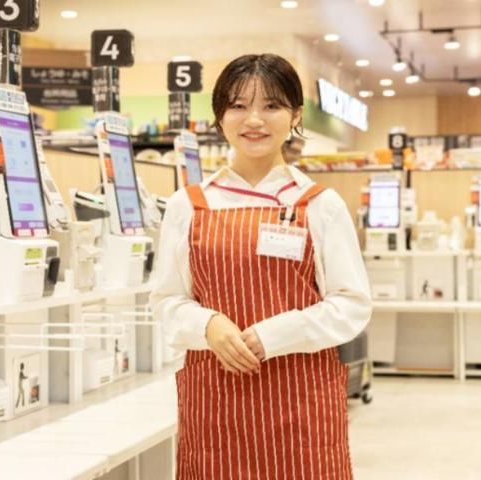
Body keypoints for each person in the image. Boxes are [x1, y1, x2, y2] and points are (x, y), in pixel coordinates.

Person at [150, 53, 372, 479]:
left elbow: (352, 304)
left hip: (301, 407)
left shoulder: (319, 205)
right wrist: (209, 325)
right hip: (215, 406)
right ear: (220, 116)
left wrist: (274, 335)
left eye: (271, 105)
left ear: (295, 116)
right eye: (238, 105)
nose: (254, 119)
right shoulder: (188, 205)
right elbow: (166, 300)